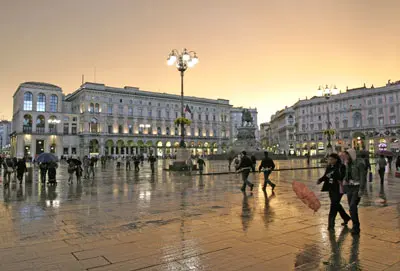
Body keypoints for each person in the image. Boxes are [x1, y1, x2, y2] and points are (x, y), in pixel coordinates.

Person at [317, 153, 351, 230]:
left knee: (334, 205)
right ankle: (346, 218)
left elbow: (342, 176)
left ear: (336, 159)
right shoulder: (329, 167)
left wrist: (333, 174)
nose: (330, 161)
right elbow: (326, 176)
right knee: (336, 204)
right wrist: (320, 180)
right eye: (329, 159)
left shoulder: (341, 166)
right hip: (331, 188)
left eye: (331, 159)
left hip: (339, 188)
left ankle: (331, 224)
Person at [342, 149, 367, 235]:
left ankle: (356, 227)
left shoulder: (360, 163)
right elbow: (346, 174)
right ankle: (355, 226)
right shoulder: (348, 163)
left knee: (353, 206)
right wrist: (345, 180)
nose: (345, 156)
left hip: (357, 187)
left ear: (351, 154)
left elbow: (363, 177)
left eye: (346, 155)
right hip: (350, 187)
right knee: (351, 208)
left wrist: (361, 189)